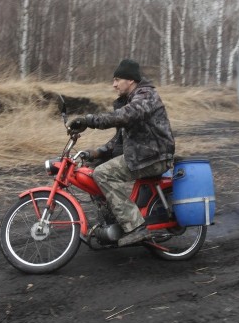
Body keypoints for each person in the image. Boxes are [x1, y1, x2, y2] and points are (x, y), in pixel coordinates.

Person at [68, 59, 175, 246]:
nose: (114, 85)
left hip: (154, 156)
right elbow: (119, 140)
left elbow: (125, 115)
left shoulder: (146, 95)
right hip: (141, 155)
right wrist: (96, 153)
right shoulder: (131, 99)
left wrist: (89, 120)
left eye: (117, 80)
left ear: (130, 80)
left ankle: (135, 227)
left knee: (103, 174)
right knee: (92, 170)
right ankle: (112, 219)